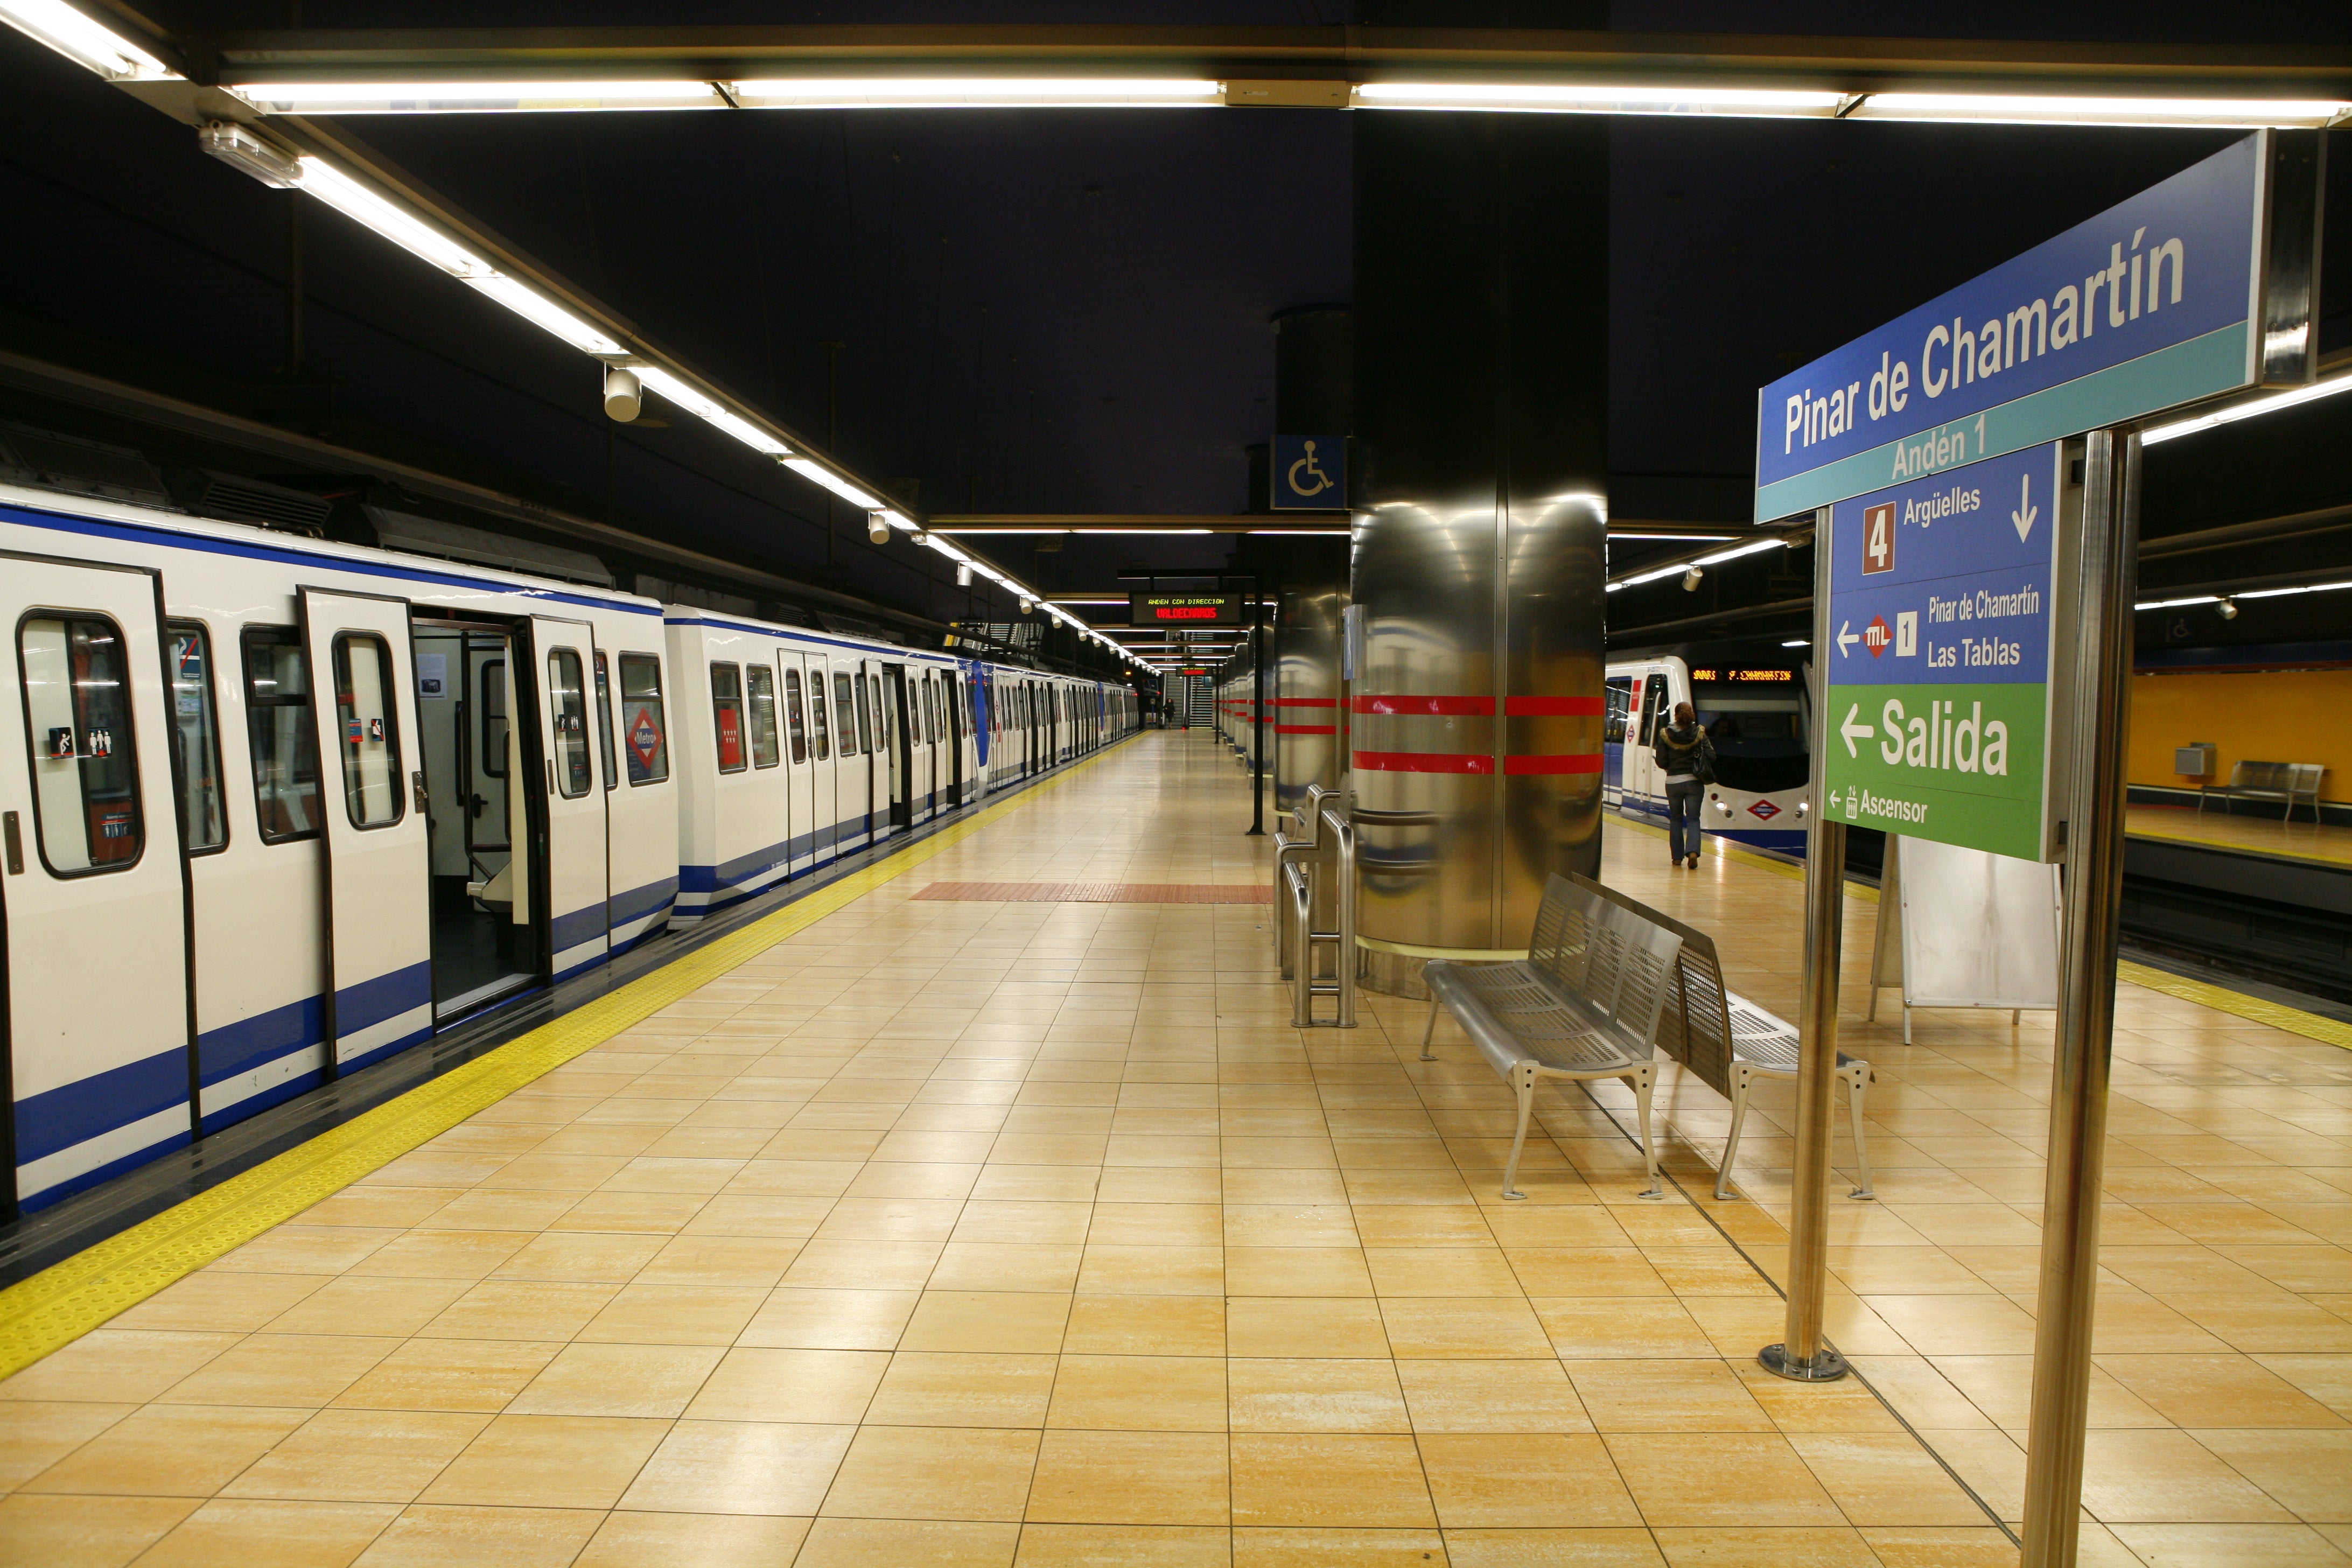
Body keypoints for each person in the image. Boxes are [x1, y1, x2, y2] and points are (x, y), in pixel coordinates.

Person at [1653, 701, 1715, 870]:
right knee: (1694, 819)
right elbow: (1712, 756)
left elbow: (1661, 760)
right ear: (1691, 715)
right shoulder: (1699, 733)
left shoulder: (1666, 734)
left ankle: (1677, 858)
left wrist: (1671, 765)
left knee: (1676, 819)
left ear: (1675, 715)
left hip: (1673, 782)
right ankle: (1693, 852)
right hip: (1694, 783)